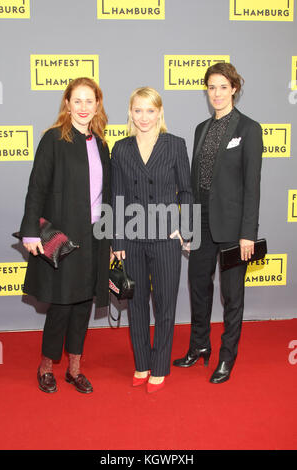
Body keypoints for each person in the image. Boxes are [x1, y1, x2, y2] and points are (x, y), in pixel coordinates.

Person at [19, 77, 111, 393]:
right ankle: (46, 365)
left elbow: (106, 196)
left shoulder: (101, 143)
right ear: (68, 104)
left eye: (90, 101)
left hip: (95, 237)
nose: (84, 107)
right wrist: (31, 232)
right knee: (61, 303)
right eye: (78, 100)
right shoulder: (53, 139)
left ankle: (74, 368)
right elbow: (37, 188)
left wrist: (110, 240)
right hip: (62, 237)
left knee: (83, 303)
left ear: (97, 105)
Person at [173, 63, 263, 383]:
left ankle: (227, 356)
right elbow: (197, 182)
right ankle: (199, 347)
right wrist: (189, 226)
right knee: (198, 286)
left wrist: (246, 234)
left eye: (223, 87)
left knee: (232, 294)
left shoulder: (249, 129)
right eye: (211, 87)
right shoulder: (201, 128)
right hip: (202, 223)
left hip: (233, 227)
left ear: (234, 89)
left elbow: (252, 186)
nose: (217, 93)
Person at [111, 87, 193, 393]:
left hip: (165, 238)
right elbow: (117, 195)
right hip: (131, 238)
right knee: (136, 305)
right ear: (130, 113)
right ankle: (142, 363)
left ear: (159, 112)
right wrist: (116, 240)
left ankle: (160, 366)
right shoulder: (120, 149)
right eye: (137, 110)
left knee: (165, 304)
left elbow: (186, 190)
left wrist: (186, 230)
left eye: (150, 110)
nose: (144, 117)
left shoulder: (175, 145)